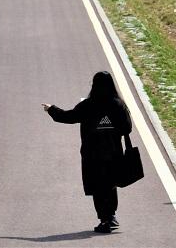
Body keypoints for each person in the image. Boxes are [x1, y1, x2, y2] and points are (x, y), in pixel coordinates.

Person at [42, 71, 133, 234]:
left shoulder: (88, 105)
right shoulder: (118, 105)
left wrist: (51, 109)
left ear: (94, 85)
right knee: (110, 185)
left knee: (97, 187)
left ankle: (105, 220)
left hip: (93, 155)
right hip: (113, 153)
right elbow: (127, 128)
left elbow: (68, 117)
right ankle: (111, 216)